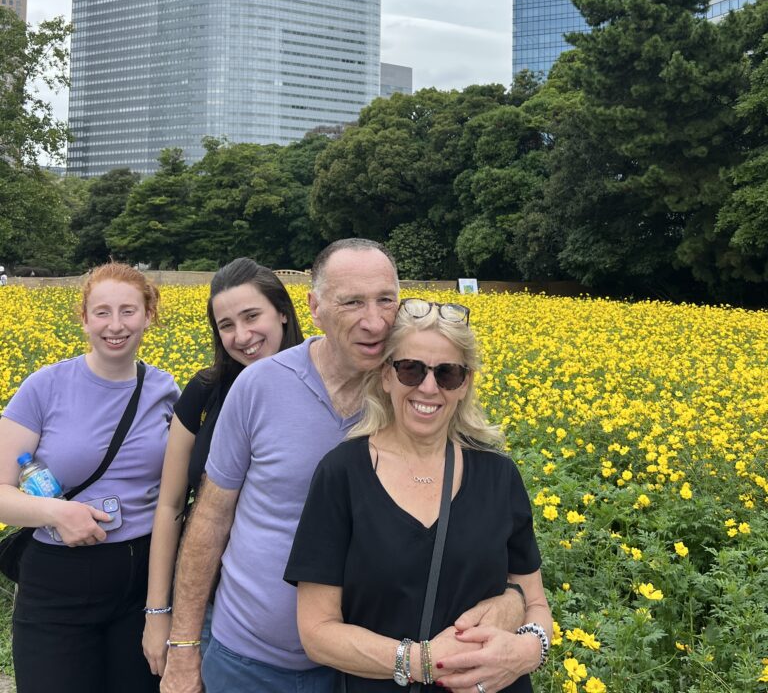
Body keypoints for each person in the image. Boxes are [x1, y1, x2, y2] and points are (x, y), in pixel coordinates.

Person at [161, 239, 526, 693]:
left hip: (366, 670)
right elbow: (210, 519)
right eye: (351, 302)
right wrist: (182, 645)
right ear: (314, 307)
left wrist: (515, 605)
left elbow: (482, 531)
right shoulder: (259, 386)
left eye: (386, 300)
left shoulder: (416, 390)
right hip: (251, 662)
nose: (373, 321)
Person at [285, 299, 553, 693]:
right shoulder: (342, 474)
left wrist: (529, 652)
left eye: (447, 373)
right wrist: (423, 662)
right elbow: (317, 632)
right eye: (410, 369)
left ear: (464, 385)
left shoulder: (499, 476)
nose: (429, 387)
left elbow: (535, 603)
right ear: (386, 376)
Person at [0, 262, 179, 693]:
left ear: (149, 316)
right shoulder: (44, 386)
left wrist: (159, 611)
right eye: (102, 312)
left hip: (141, 584)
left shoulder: (166, 391)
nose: (115, 325)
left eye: (128, 311)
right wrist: (55, 513)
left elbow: (175, 494)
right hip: (58, 582)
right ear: (83, 319)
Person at [143, 258, 304, 676]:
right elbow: (170, 505)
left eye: (252, 316)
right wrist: (160, 612)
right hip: (215, 609)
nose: (242, 336)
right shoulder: (204, 390)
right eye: (226, 325)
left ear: (283, 312)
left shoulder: (328, 384)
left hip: (310, 614)